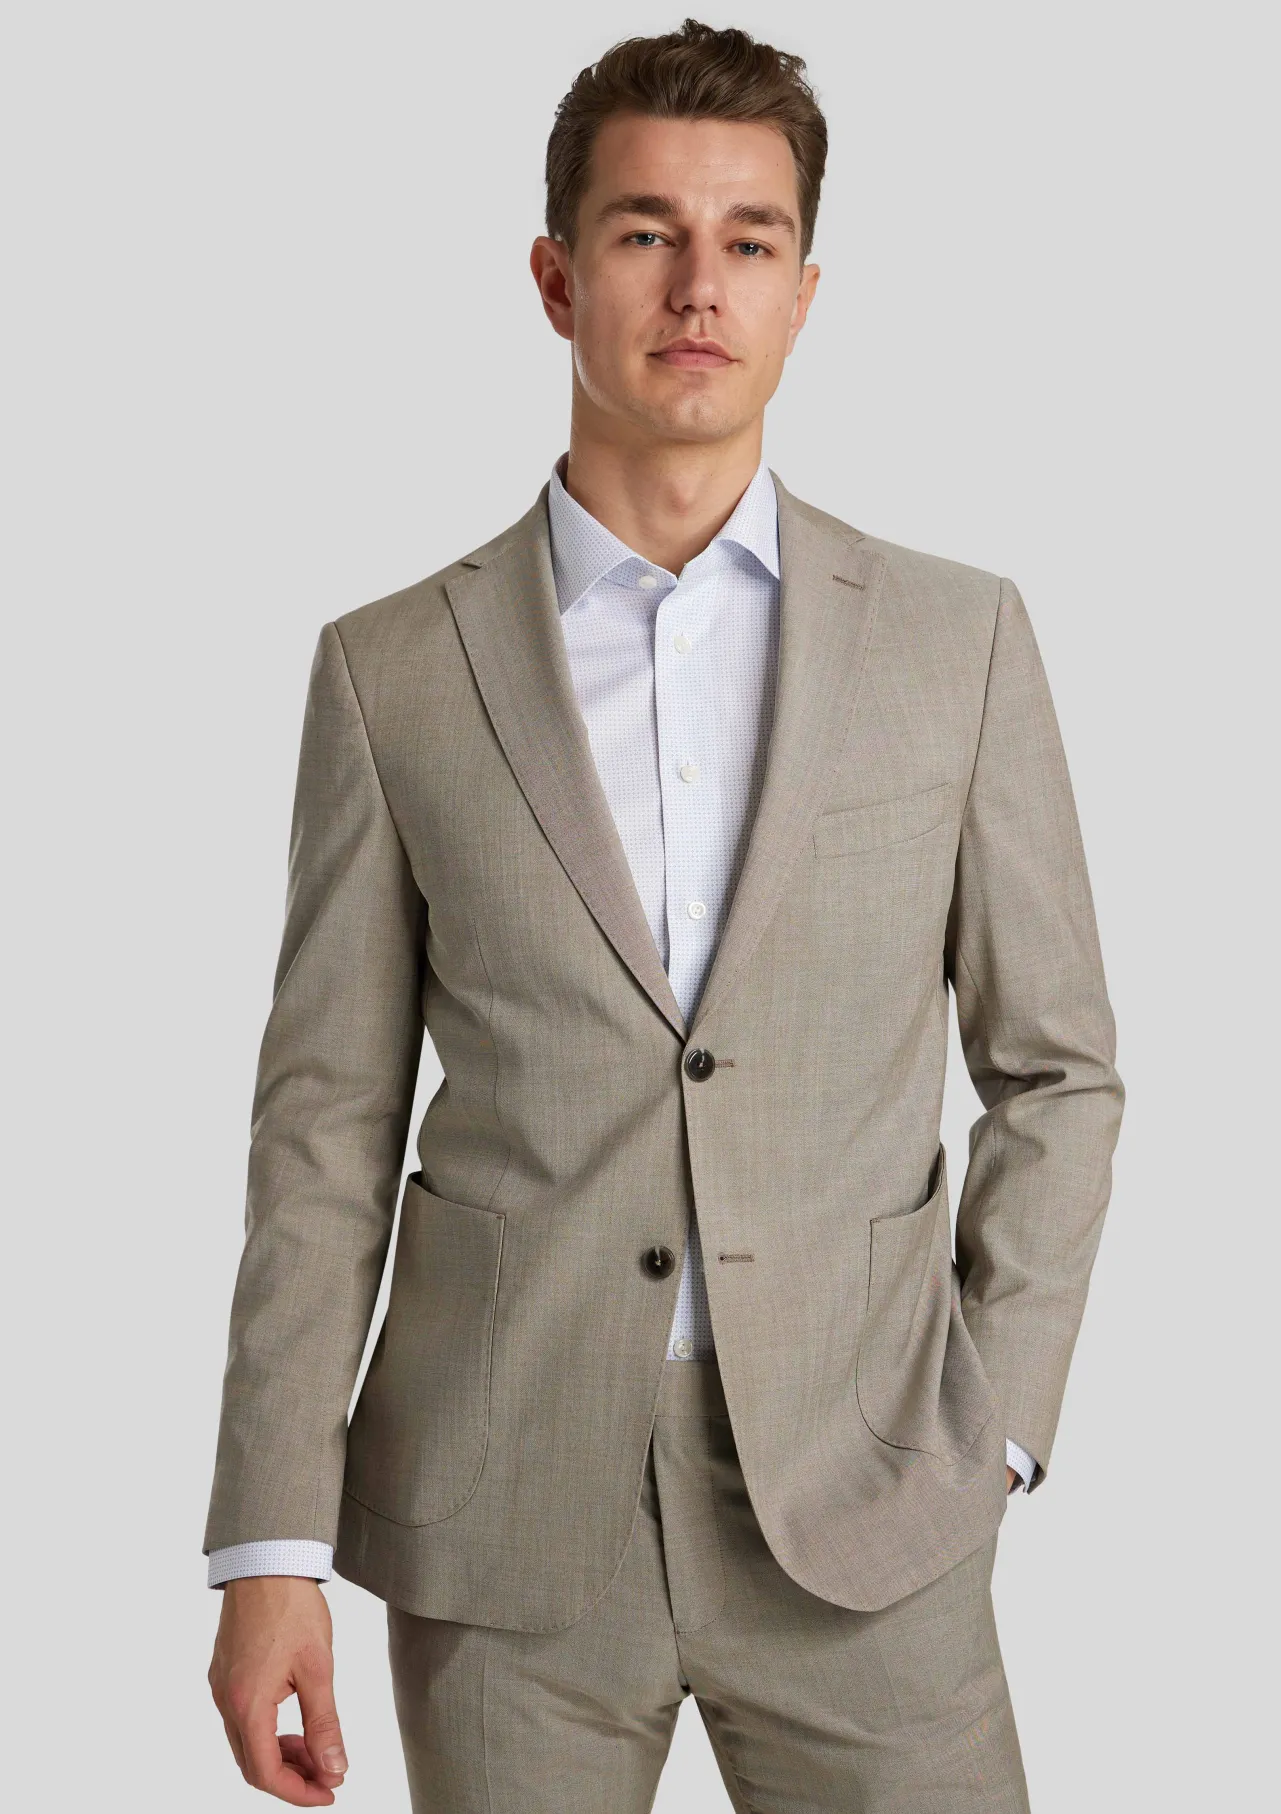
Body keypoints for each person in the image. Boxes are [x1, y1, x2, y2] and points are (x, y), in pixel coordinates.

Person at [204, 18, 1123, 1811]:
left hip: (874, 1497)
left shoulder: (958, 642)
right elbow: (323, 1124)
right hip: (503, 1515)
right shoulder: (393, 671)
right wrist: (268, 1543)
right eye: (645, 233)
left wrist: (995, 1425)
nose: (700, 285)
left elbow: (1060, 1070)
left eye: (748, 240)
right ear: (557, 279)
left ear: (802, 293)